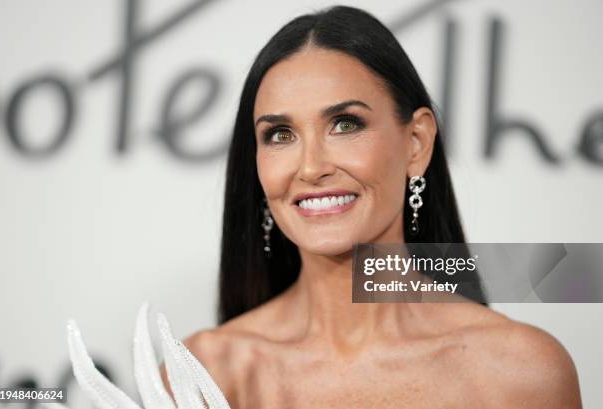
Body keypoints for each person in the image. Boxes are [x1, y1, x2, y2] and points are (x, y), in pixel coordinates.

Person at [161, 5, 581, 408]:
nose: (311, 167)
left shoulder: (521, 372)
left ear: (417, 143)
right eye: (280, 134)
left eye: (346, 124)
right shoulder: (203, 374)